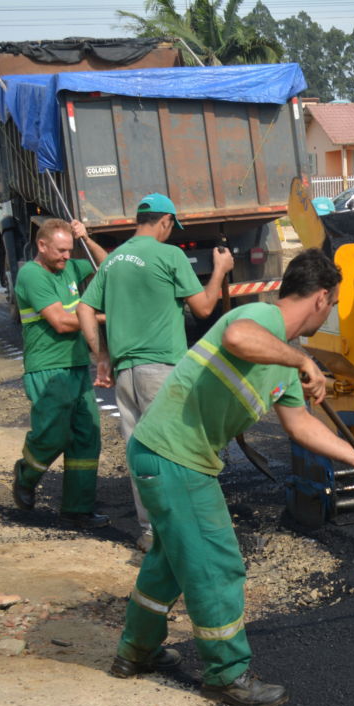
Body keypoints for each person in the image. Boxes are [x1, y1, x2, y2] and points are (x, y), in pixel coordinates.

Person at [110, 249, 354, 706]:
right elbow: (239, 336)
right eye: (333, 303)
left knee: (169, 562)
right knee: (217, 564)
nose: (331, 311)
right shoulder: (263, 317)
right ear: (321, 298)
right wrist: (301, 359)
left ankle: (134, 651)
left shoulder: (285, 356)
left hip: (171, 456)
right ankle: (226, 674)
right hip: (174, 455)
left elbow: (300, 425)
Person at [78, 193, 234, 550]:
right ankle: (181, 531)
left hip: (126, 375)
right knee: (175, 452)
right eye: (171, 227)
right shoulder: (170, 255)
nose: (170, 233)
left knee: (140, 454)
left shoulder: (114, 259)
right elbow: (205, 308)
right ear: (164, 222)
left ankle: (150, 531)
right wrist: (221, 271)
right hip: (161, 370)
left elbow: (85, 308)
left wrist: (101, 354)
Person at [11, 218, 110, 528]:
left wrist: (87, 239)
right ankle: (26, 476)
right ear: (42, 246)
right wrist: (106, 317)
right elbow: (62, 322)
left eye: (71, 250)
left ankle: (77, 508)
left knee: (86, 436)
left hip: (77, 366)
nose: (68, 257)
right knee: (53, 434)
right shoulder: (31, 275)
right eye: (61, 250)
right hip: (47, 368)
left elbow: (109, 267)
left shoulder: (69, 267)